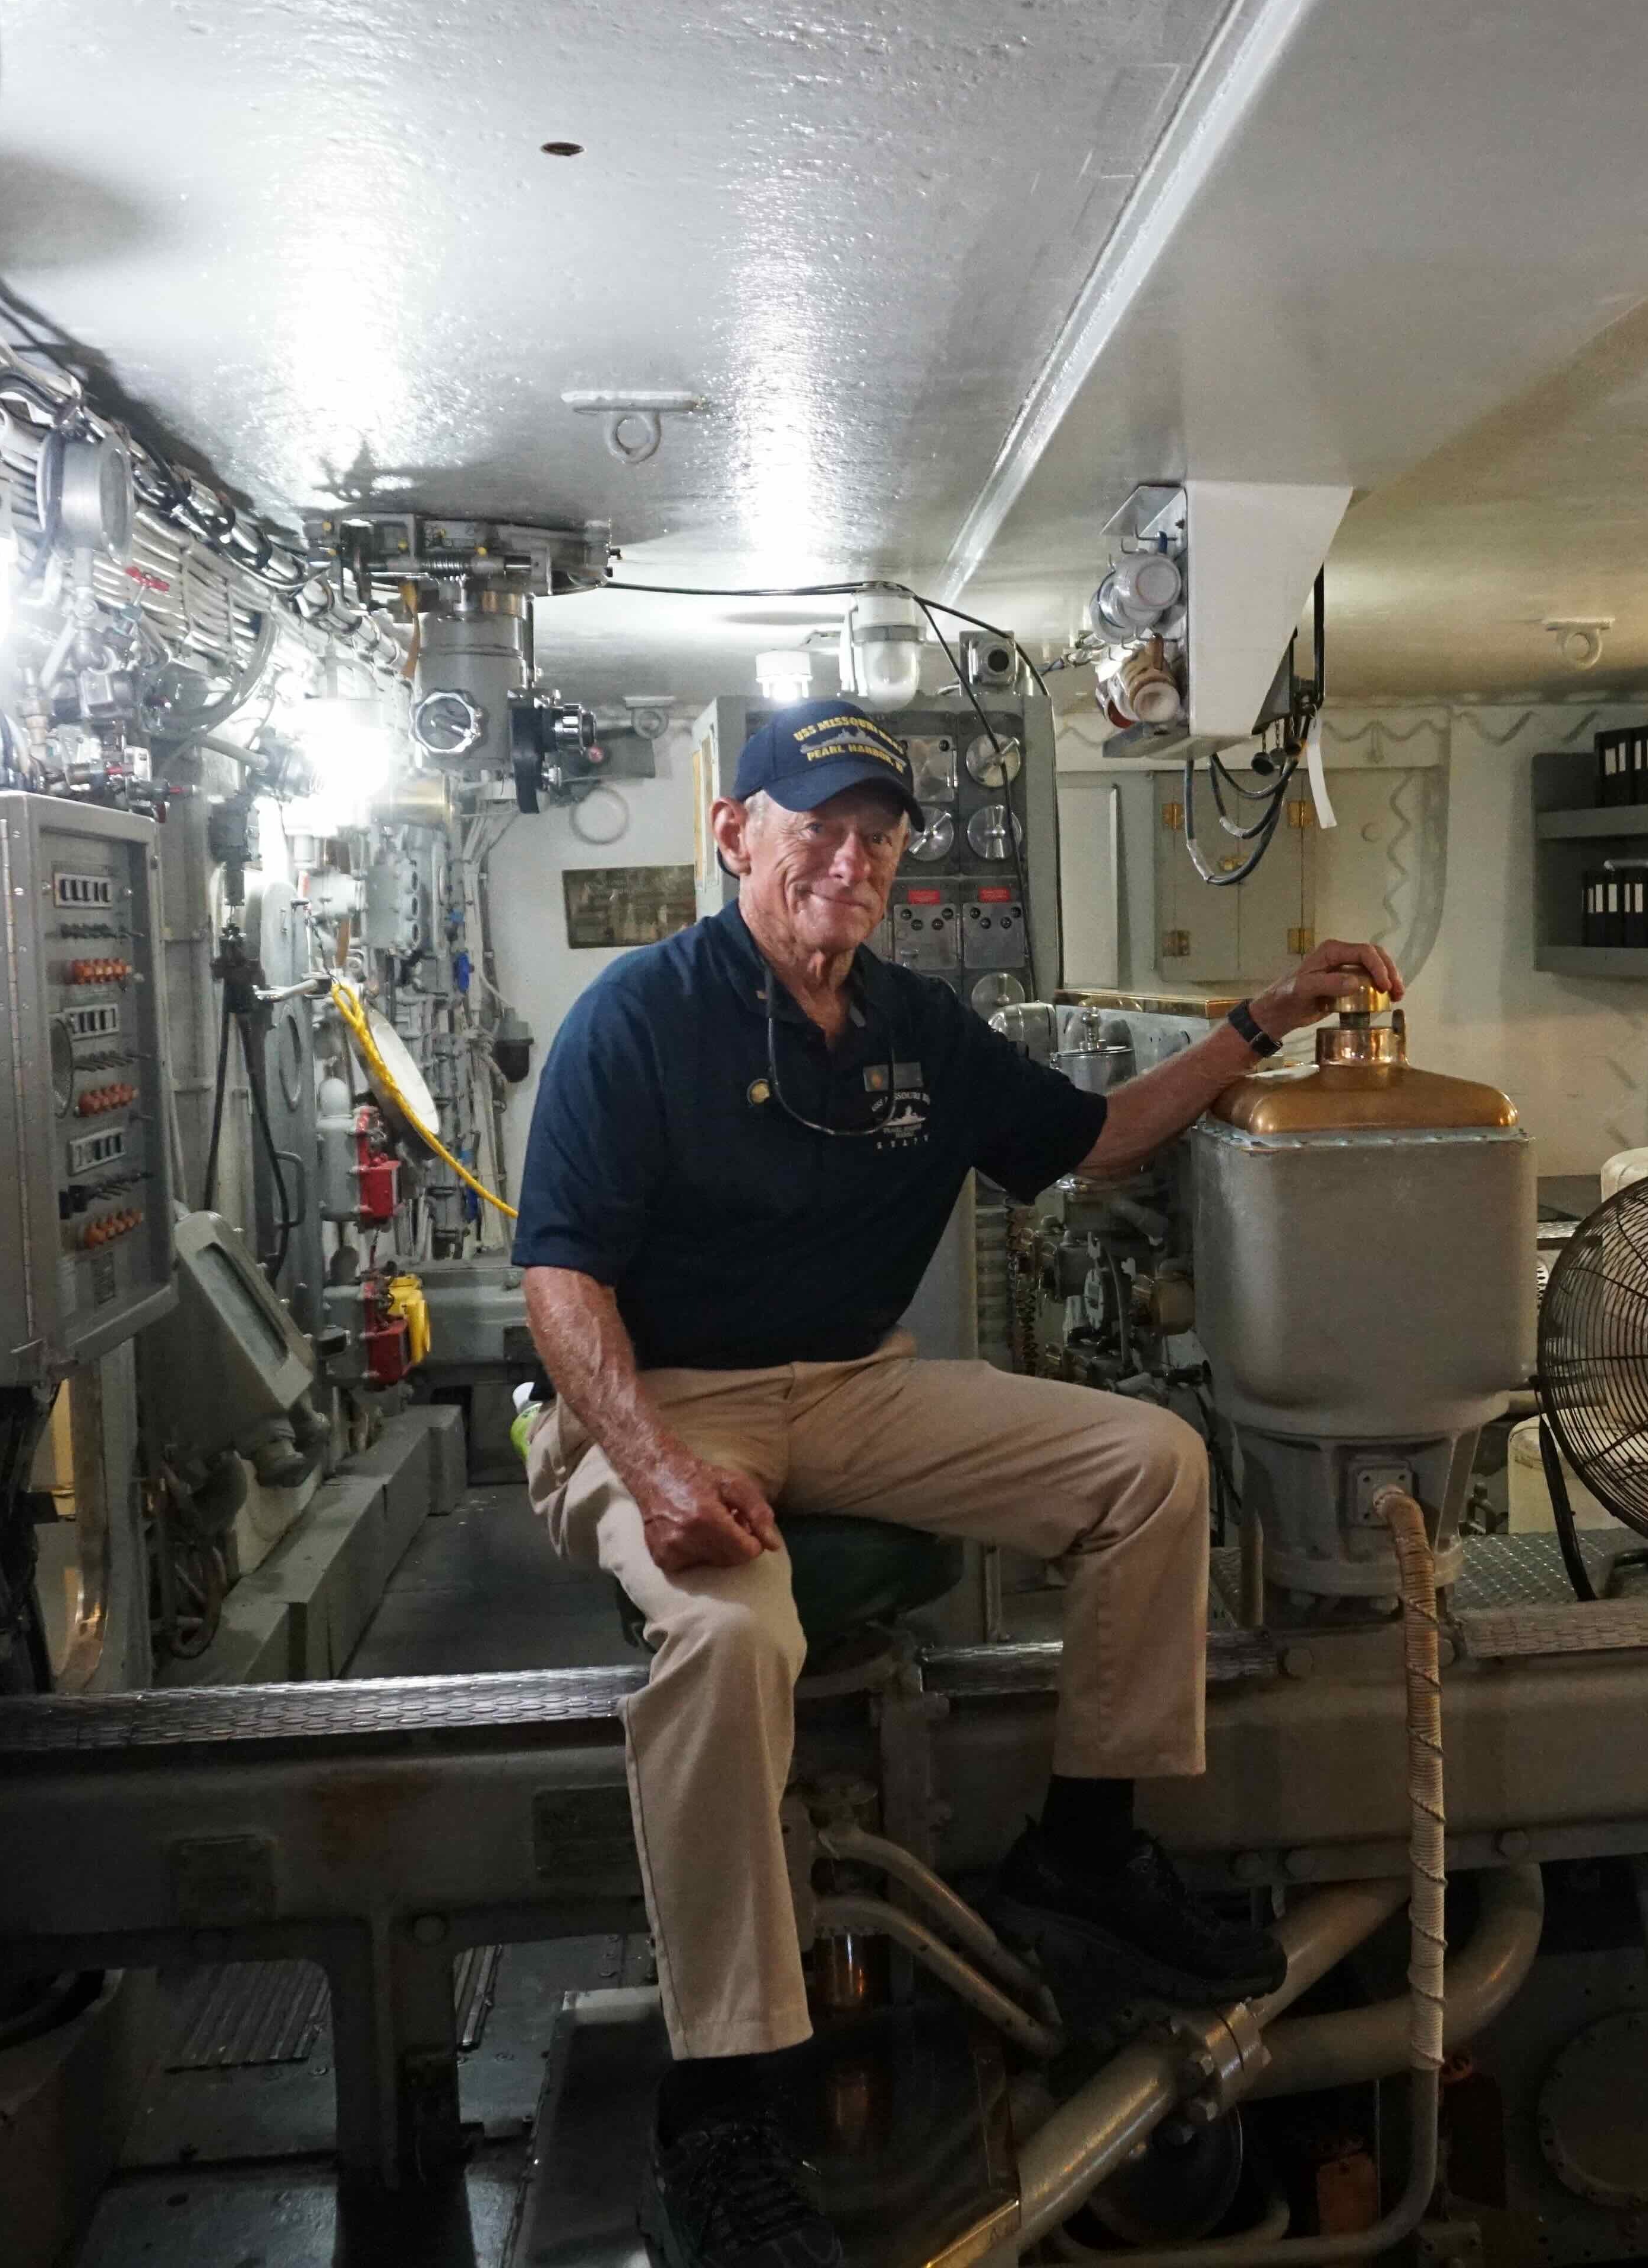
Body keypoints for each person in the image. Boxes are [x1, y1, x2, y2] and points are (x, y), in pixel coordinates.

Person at [512, 697, 1402, 2268]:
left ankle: (1084, 1849)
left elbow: (1099, 1135)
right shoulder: (637, 1018)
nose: (846, 862)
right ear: (736, 833)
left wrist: (1255, 1025)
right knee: (732, 1637)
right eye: (815, 828)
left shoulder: (918, 1028)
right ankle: (728, 2102)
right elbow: (561, 1281)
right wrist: (649, 1469)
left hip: (852, 1386)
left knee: (1154, 1464)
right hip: (657, 1399)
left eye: (876, 838)